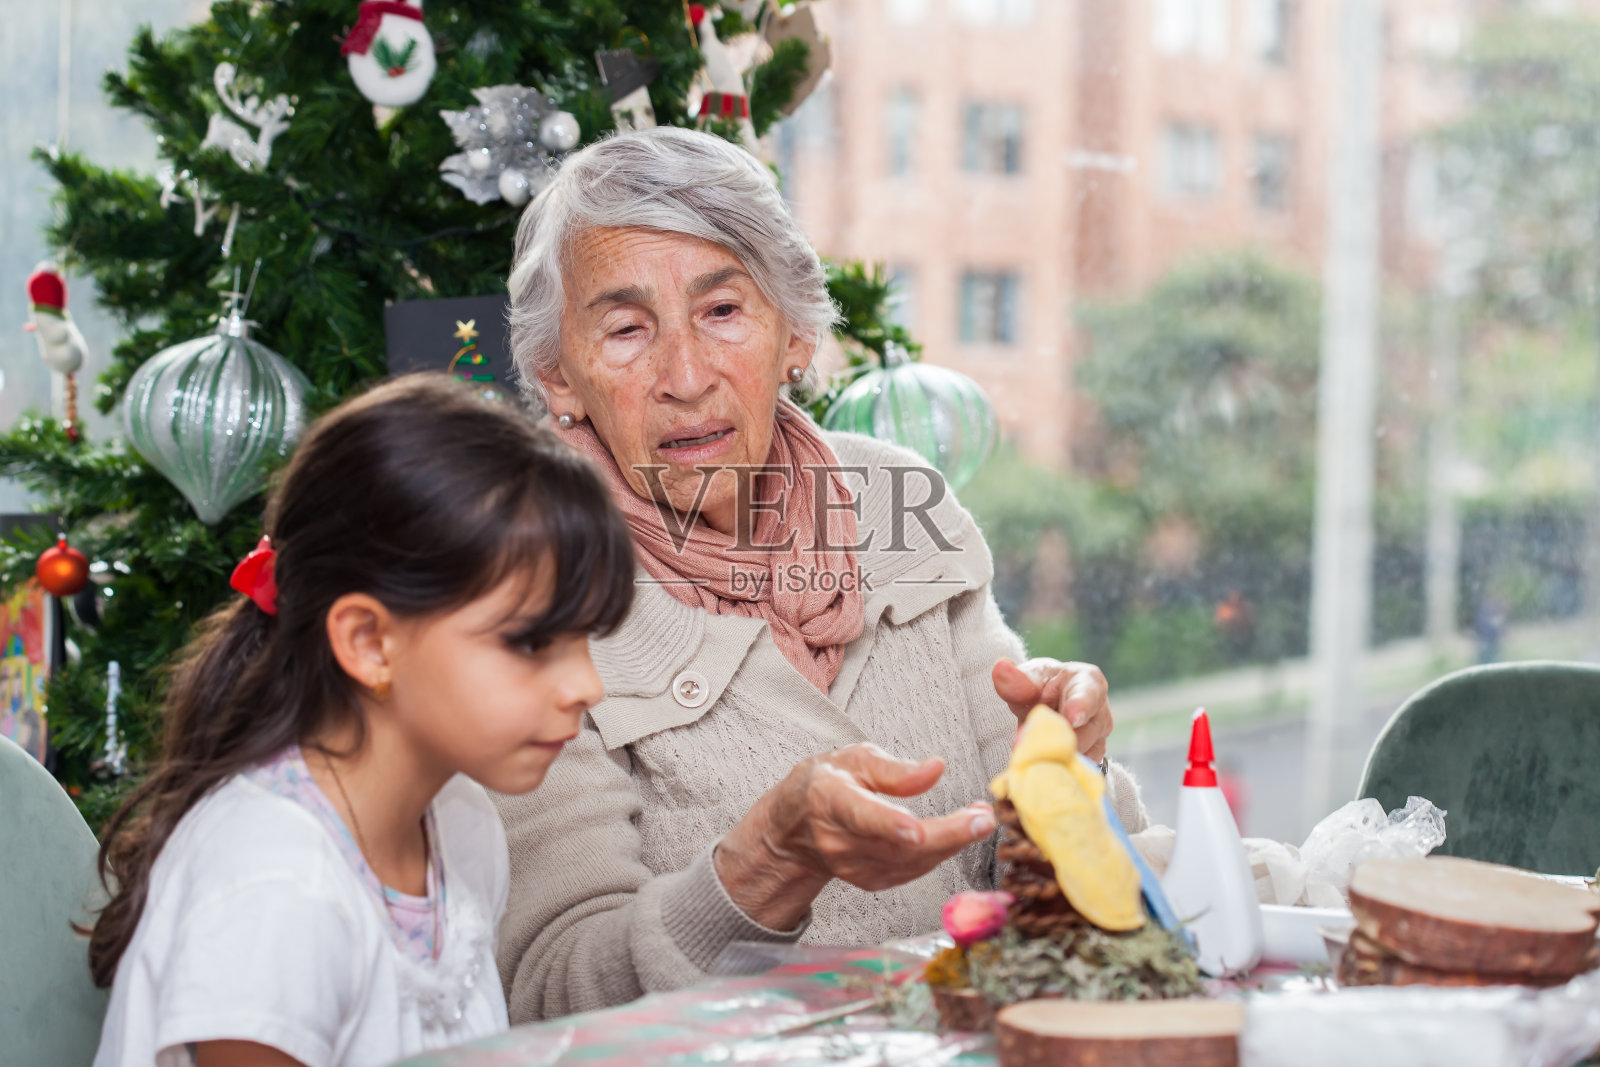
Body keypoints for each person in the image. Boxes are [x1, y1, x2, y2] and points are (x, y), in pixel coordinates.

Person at [496, 126, 1149, 1022]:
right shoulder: (526, 598)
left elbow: (1038, 863)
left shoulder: (895, 497)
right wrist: (768, 861)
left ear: (795, 333)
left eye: (723, 311)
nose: (685, 375)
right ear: (556, 377)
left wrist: (1072, 760)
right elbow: (554, 990)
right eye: (625, 329)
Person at [89, 376, 635, 1067]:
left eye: (587, 636)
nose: (587, 684)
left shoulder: (463, 826)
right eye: (531, 642)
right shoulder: (276, 884)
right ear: (370, 642)